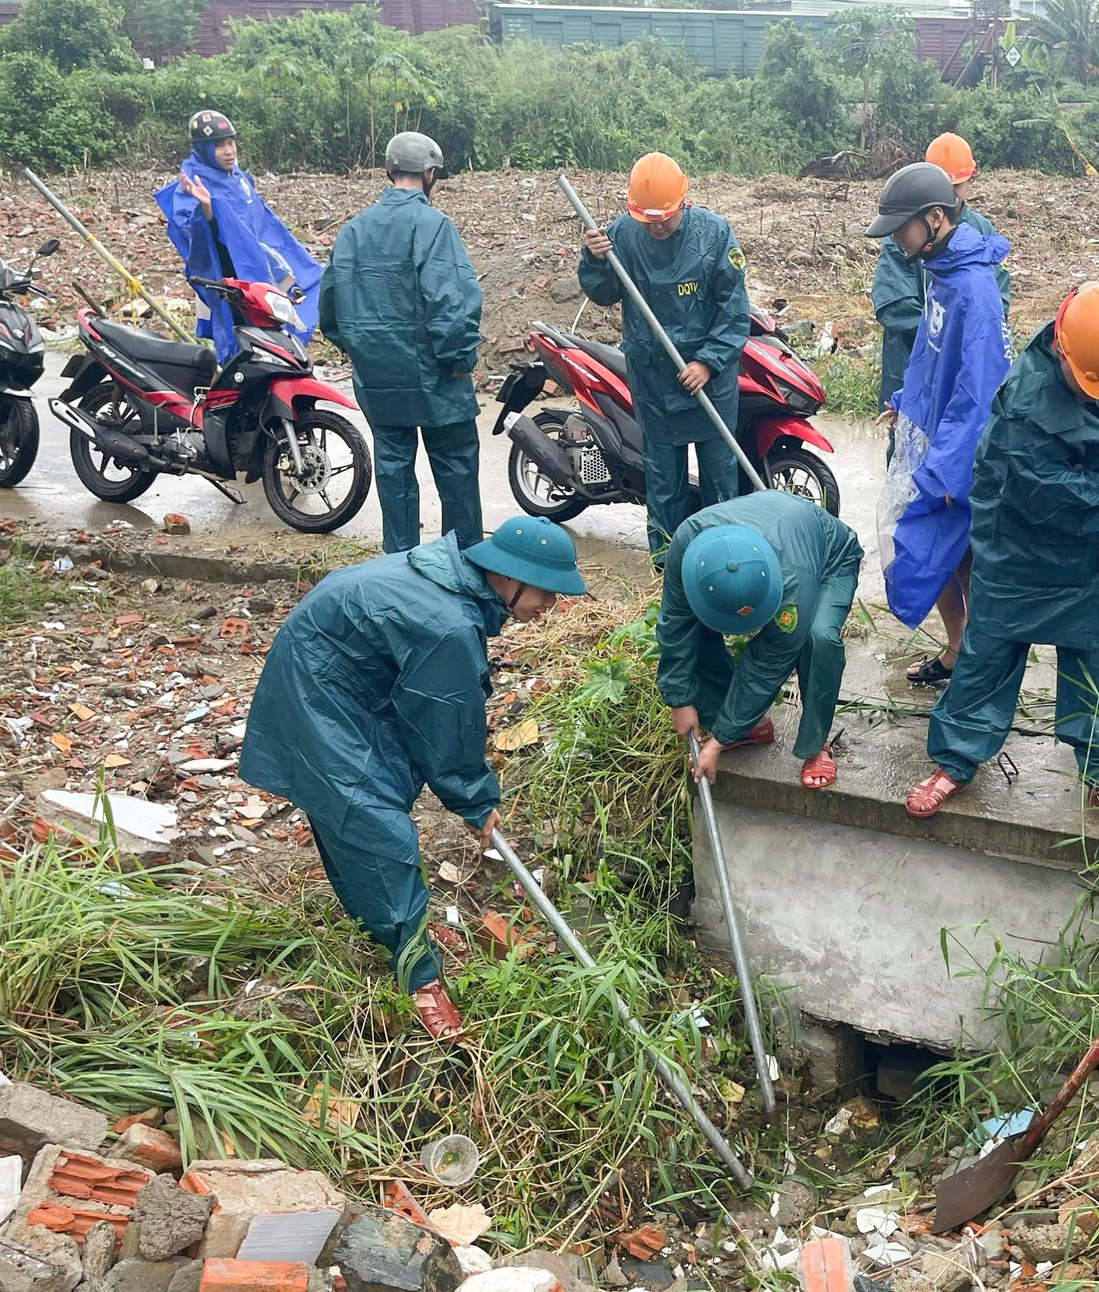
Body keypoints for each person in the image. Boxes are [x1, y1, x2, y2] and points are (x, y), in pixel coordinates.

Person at [238, 516, 588, 1040]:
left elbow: (436, 713)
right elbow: (446, 722)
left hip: (347, 678)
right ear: (511, 576)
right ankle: (418, 977)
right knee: (377, 825)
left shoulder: (453, 581)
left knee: (363, 802)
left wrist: (463, 790)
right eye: (548, 594)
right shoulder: (446, 625)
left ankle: (378, 919)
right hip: (318, 689)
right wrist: (474, 798)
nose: (549, 609)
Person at [903, 276, 1099, 829]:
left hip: (1094, 554)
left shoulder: (1098, 326)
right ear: (1064, 355)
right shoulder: (1025, 413)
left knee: (1095, 663)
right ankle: (955, 759)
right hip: (1024, 548)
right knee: (987, 660)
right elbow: (1064, 499)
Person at [863, 162, 1012, 688]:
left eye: (901, 227)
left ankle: (975, 658)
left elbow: (978, 390)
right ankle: (958, 646)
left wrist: (948, 471)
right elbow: (932, 355)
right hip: (928, 436)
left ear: (933, 218)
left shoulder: (973, 289)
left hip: (956, 453)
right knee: (942, 552)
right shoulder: (939, 269)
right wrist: (906, 401)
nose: (896, 239)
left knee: (953, 552)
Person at [319, 131, 484, 556]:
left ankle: (400, 568)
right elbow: (450, 302)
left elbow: (331, 313)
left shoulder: (352, 232)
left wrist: (362, 351)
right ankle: (462, 569)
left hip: (379, 379)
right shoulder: (432, 225)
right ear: (430, 174)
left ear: (388, 172)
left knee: (394, 475)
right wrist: (460, 358)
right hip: (437, 378)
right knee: (457, 473)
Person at [579, 153, 751, 561]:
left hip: (710, 382)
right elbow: (603, 293)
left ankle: (724, 564)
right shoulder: (620, 235)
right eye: (647, 219)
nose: (656, 225)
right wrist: (595, 259)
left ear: (683, 203)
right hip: (653, 379)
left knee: (719, 480)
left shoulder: (714, 235)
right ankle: (668, 570)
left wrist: (708, 361)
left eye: (664, 218)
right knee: (663, 482)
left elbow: (733, 309)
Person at [658, 490, 862, 791]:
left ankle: (815, 744)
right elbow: (675, 622)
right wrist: (679, 699)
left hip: (830, 558)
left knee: (818, 639)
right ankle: (747, 726)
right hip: (772, 527)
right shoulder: (688, 543)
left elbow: (765, 667)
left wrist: (718, 743)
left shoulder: (793, 585)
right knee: (693, 624)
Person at [155, 110, 322, 364]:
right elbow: (194, 235)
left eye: (231, 143)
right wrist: (208, 210)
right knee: (239, 341)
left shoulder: (239, 179)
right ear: (204, 149)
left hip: (255, 266)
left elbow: (261, 224)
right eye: (219, 145)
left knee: (290, 307)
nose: (229, 151)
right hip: (225, 275)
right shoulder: (193, 182)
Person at [872, 133, 1013, 413]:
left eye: (957, 185)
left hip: (958, 371)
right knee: (906, 444)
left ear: (972, 179)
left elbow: (995, 306)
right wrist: (944, 335)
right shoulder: (905, 234)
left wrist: (958, 338)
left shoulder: (981, 233)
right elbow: (892, 305)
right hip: (909, 365)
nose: (949, 194)